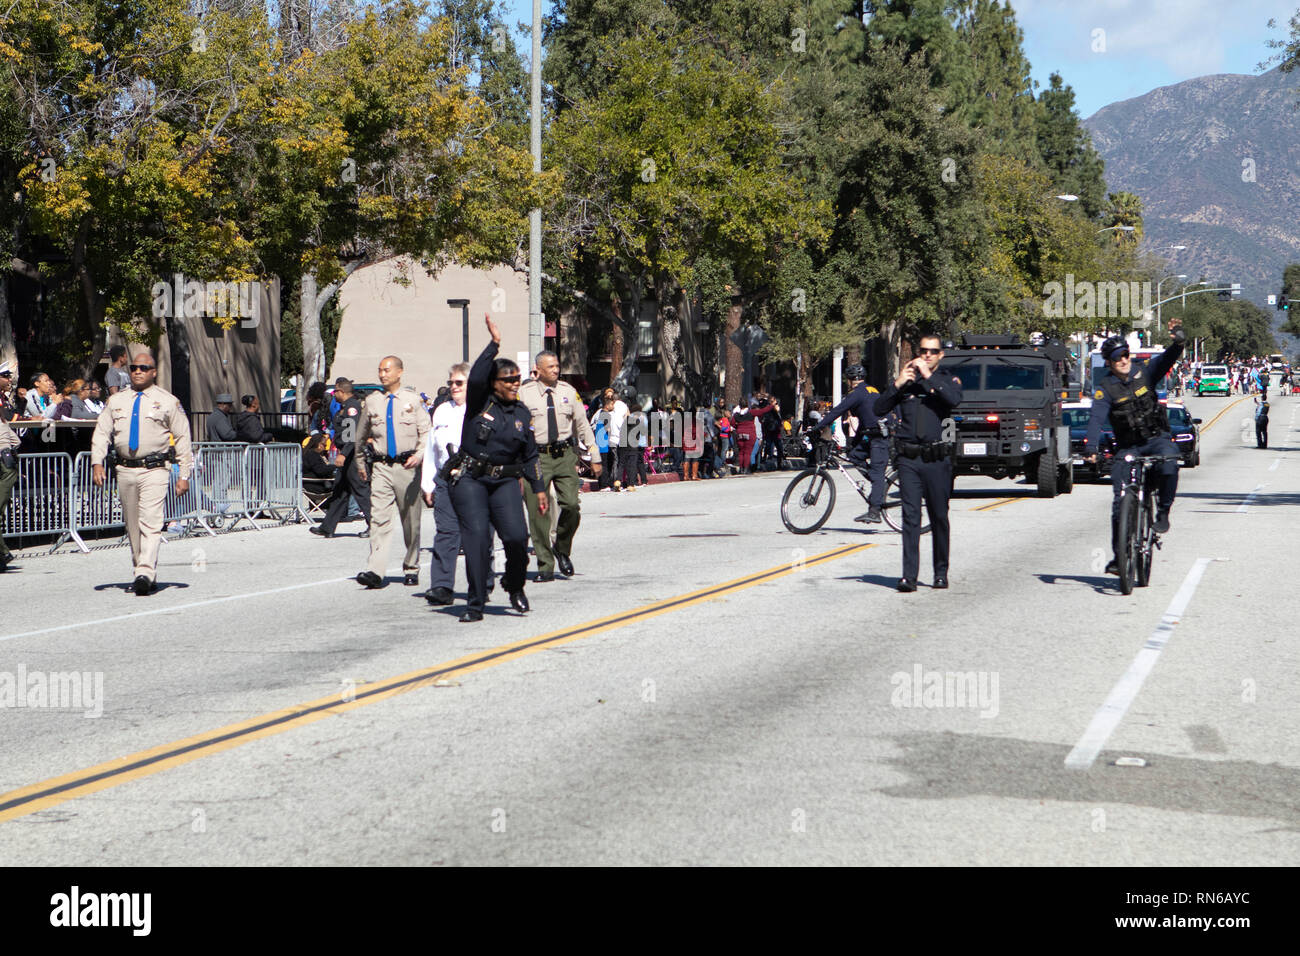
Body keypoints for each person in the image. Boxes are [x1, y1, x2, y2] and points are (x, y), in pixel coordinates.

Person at [448, 314, 547, 622]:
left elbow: (530, 454)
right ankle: (475, 603)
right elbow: (476, 376)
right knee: (477, 539)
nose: (515, 384)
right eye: (509, 380)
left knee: (518, 538)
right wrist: (494, 344)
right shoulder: (480, 401)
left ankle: (514, 585)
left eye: (518, 379)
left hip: (504, 480)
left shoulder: (520, 411)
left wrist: (539, 488)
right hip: (470, 479)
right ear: (495, 383)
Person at [89, 348, 194, 595]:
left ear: (154, 372)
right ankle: (142, 571)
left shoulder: (168, 401)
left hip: (154, 469)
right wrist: (97, 462)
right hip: (124, 469)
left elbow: (183, 438)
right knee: (132, 525)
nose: (137, 371)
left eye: (143, 368)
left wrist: (184, 475)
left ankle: (145, 572)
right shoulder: (116, 400)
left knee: (151, 521)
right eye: (134, 368)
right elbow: (102, 433)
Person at [1085, 330, 1186, 576]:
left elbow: (1167, 359)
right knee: (1120, 502)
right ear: (1108, 362)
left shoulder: (1145, 372)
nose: (1123, 359)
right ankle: (1120, 558)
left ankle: (1163, 511)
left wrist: (1179, 343)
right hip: (1128, 447)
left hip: (1156, 439)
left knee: (1170, 463)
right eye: (1117, 357)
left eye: (1126, 354)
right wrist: (1091, 448)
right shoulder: (1106, 388)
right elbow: (1097, 418)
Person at [874, 335, 962, 592]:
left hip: (936, 458)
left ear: (940, 355)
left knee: (938, 517)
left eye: (933, 351)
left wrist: (928, 376)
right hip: (909, 459)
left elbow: (954, 400)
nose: (927, 355)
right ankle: (908, 577)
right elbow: (878, 408)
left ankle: (940, 572)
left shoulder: (947, 379)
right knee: (911, 517)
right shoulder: (907, 383)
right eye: (923, 351)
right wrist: (898, 383)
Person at [518, 349, 601, 581]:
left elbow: (582, 425)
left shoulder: (568, 391)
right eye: (550, 367)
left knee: (572, 505)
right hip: (536, 457)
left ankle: (562, 548)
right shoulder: (524, 395)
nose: (556, 370)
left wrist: (594, 456)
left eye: (557, 366)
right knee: (539, 513)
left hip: (564, 454)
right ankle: (545, 565)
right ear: (538, 370)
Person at [420, 362, 496, 604]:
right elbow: (432, 449)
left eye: (459, 383)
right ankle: (442, 586)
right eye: (450, 382)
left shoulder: (487, 408)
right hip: (447, 478)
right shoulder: (441, 411)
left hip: (477, 479)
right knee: (446, 533)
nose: (453, 387)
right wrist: (428, 484)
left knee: (479, 534)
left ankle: (482, 584)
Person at [353, 355, 428, 589]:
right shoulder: (373, 401)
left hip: (407, 467)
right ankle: (375, 570)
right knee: (379, 519)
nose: (382, 374)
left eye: (387, 370)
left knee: (410, 521)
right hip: (382, 467)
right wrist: (359, 461)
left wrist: (419, 455)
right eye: (380, 370)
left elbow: (426, 432)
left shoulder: (413, 401)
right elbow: (361, 434)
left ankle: (411, 566)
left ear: (399, 372)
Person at [817, 363, 889, 523]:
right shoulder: (872, 390)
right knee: (854, 455)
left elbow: (837, 411)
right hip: (871, 434)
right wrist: (854, 443)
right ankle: (878, 486)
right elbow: (866, 418)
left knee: (877, 474)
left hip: (879, 437)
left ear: (850, 380)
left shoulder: (857, 393)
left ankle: (874, 511)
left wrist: (819, 426)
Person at [310, 378, 372, 539]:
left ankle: (375, 526)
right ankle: (327, 527)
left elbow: (351, 435)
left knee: (361, 491)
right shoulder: (345, 407)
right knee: (339, 492)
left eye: (335, 391)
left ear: (341, 391)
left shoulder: (352, 408)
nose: (334, 394)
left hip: (352, 456)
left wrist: (343, 454)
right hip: (346, 454)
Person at [0, 401, 19, 571]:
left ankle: (3, 554)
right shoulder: (4, 424)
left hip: (5, 467)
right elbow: (17, 441)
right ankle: (3, 553)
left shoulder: (3, 425)